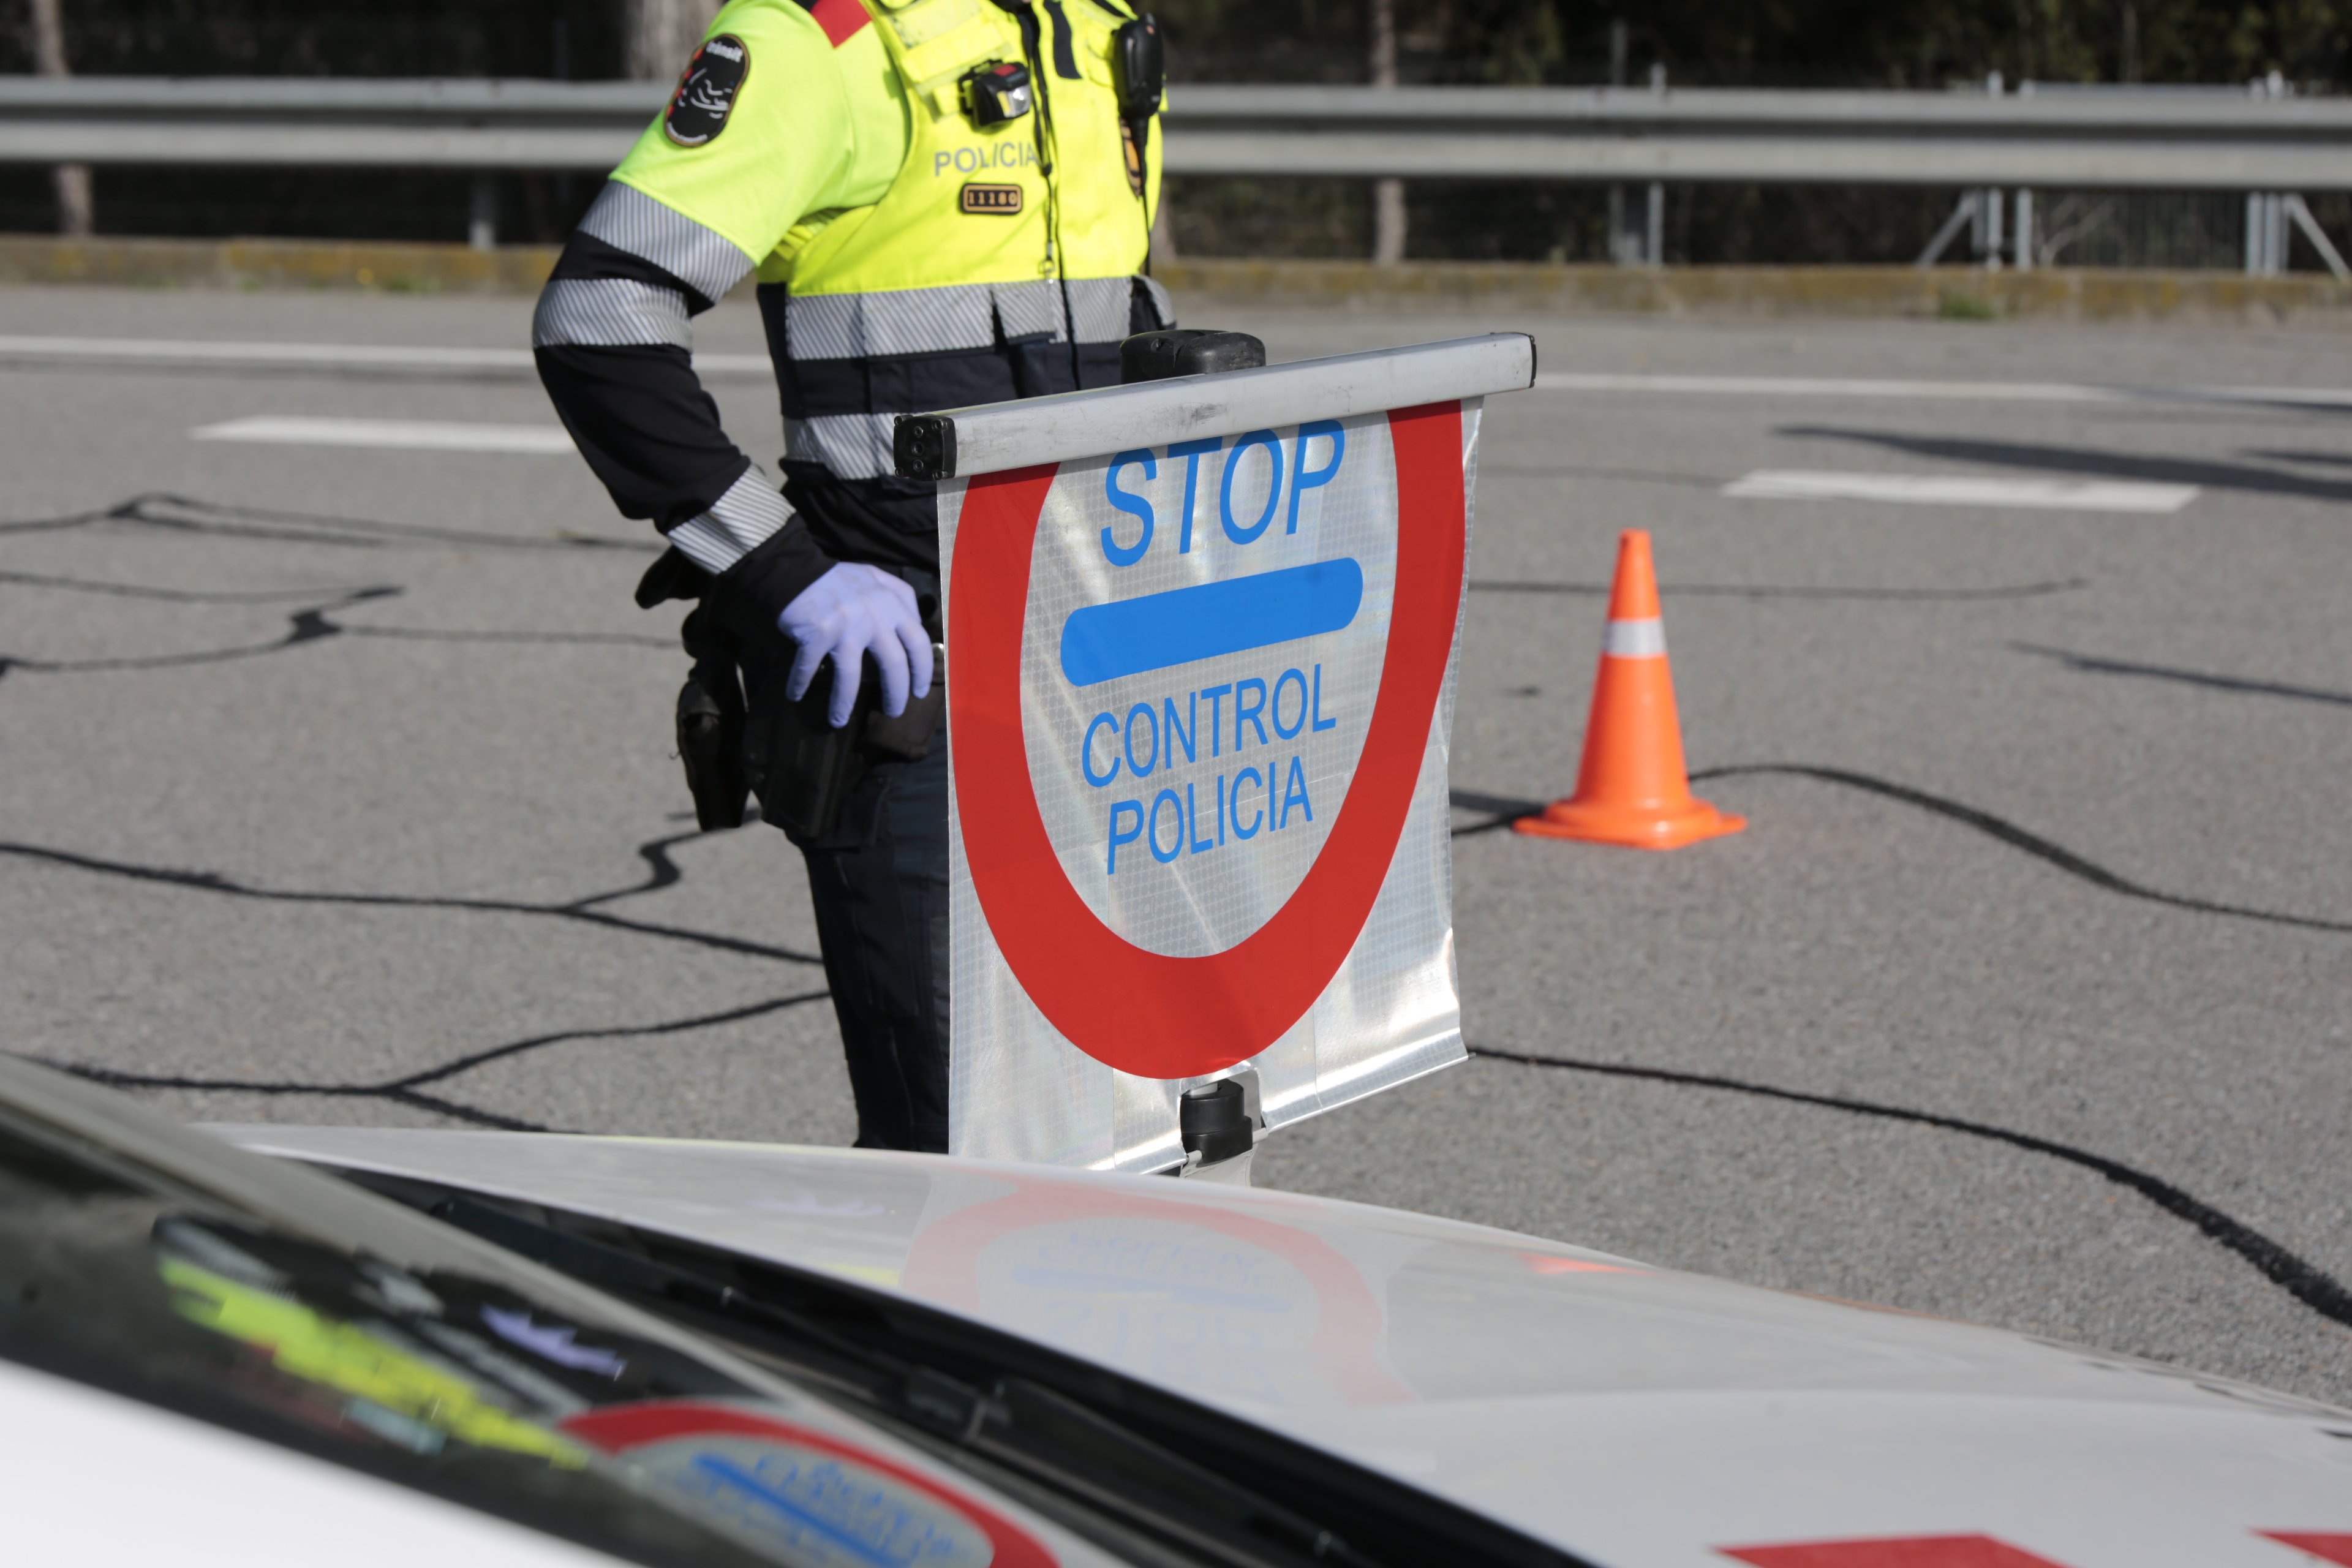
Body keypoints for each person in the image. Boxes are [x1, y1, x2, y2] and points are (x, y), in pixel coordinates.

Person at [533, 0, 1167, 1154]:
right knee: (954, 1132)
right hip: (905, 666)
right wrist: (785, 570)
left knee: (1109, 1115)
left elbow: (1088, 311)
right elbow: (599, 317)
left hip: (1092, 658)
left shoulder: (1094, 28)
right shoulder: (820, 44)